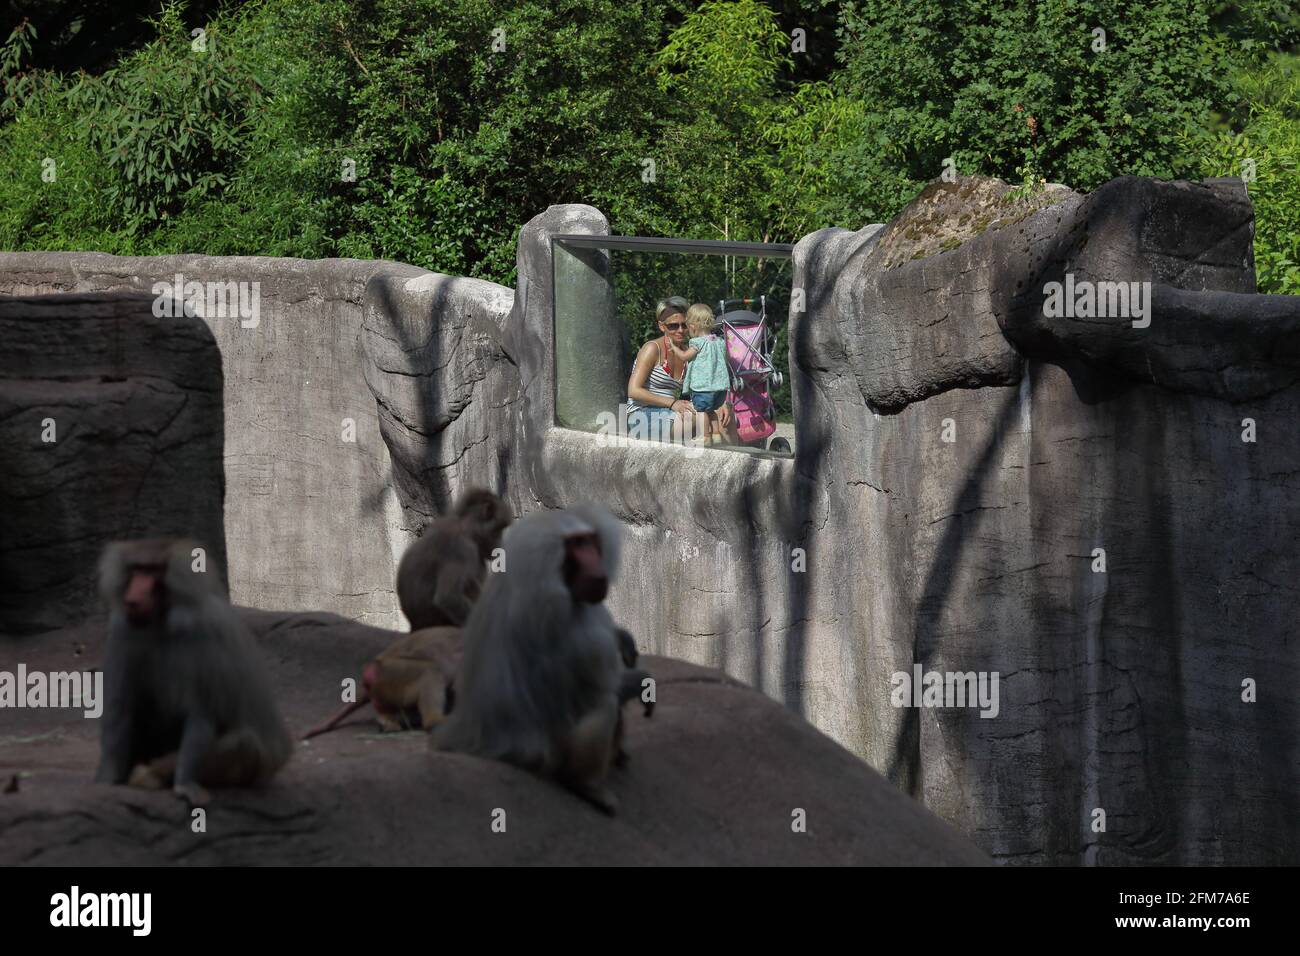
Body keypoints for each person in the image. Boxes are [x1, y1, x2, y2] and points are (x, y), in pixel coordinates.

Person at [667, 303, 731, 444]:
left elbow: (685, 356)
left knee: (702, 412)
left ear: (693, 326)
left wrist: (673, 347)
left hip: (703, 387)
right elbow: (725, 359)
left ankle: (705, 437)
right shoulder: (719, 341)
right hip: (719, 387)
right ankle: (716, 435)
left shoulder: (698, 342)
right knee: (712, 411)